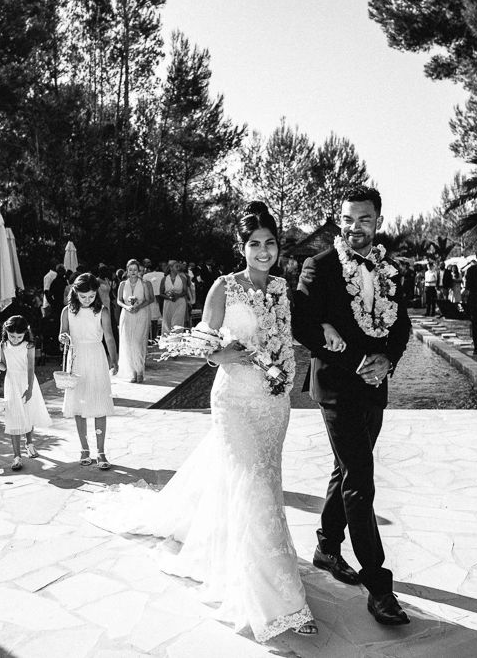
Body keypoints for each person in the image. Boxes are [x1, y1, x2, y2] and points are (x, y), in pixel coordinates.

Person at [86, 202, 316, 641]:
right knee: (256, 489)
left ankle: (245, 557)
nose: (263, 251)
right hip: (234, 401)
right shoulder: (223, 288)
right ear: (242, 247)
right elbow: (205, 345)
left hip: (274, 404)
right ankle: (280, 603)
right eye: (254, 244)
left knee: (261, 486)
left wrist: (294, 365)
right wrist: (221, 354)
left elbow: (286, 337)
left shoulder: (284, 289)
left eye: (269, 243)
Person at [293, 186, 412, 626]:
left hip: (375, 386)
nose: (353, 227)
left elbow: (401, 326)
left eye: (363, 219)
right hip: (337, 387)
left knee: (347, 470)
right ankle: (379, 586)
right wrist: (349, 353)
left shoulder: (392, 270)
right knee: (361, 478)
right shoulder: (319, 266)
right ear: (338, 220)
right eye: (347, 219)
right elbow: (301, 322)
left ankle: (327, 545)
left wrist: (387, 361)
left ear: (377, 221)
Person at [60, 272, 118, 469]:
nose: (87, 300)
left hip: (96, 356)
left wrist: (114, 360)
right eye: (83, 296)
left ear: (96, 294)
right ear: (75, 293)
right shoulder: (67, 311)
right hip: (76, 358)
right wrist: (63, 339)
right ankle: (84, 448)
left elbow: (109, 337)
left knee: (99, 403)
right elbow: (63, 333)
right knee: (79, 405)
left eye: (91, 296)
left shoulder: (102, 311)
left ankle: (101, 452)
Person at [0, 316, 51, 471]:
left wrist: (30, 388)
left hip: (26, 381)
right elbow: (3, 365)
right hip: (11, 383)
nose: (15, 339)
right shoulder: (3, 344)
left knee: (28, 412)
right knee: (14, 416)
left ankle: (29, 443)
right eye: (12, 336)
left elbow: (31, 368)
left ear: (25, 333)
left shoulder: (29, 345)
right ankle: (16, 456)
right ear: (6, 331)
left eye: (19, 336)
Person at [117, 259, 153, 383]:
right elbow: (119, 300)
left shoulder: (144, 283)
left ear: (139, 271)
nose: (133, 272)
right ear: (127, 270)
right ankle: (132, 372)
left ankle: (140, 371)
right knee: (128, 342)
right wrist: (127, 307)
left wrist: (138, 306)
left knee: (138, 342)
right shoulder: (122, 284)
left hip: (141, 314)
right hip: (126, 315)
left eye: (135, 270)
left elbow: (149, 299)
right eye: (130, 269)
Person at [160, 261, 188, 334]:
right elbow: (161, 293)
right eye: (176, 266)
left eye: (179, 266)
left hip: (180, 302)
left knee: (177, 321)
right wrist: (168, 297)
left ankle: (177, 339)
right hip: (168, 303)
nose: (178, 268)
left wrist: (177, 295)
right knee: (167, 322)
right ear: (171, 268)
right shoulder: (164, 279)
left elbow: (185, 292)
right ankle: (167, 340)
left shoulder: (183, 279)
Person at [142, 259, 165, 340]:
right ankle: (162, 336)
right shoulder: (163, 274)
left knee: (152, 320)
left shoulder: (145, 276)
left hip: (150, 299)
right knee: (163, 318)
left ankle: (152, 337)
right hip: (162, 298)